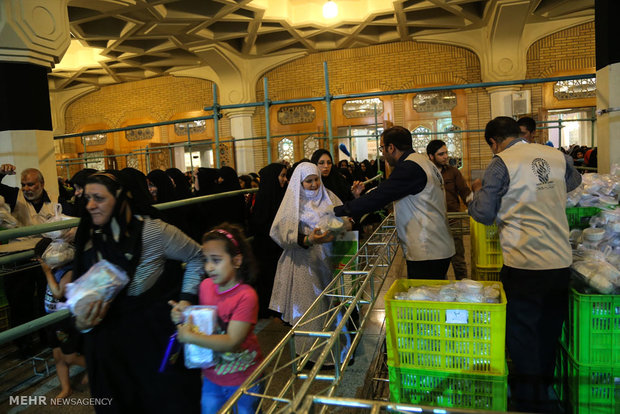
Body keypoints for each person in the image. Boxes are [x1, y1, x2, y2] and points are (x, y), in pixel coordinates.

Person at [468, 116, 582, 413]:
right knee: (547, 331)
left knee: (522, 335)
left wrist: (475, 192)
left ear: (494, 142)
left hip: (524, 263)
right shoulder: (557, 155)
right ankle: (544, 392)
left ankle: (530, 403)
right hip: (559, 261)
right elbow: (574, 182)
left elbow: (483, 212)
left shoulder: (500, 163)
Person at [72, 171, 203, 413]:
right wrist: (83, 322)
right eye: (87, 197)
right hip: (107, 349)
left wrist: (186, 299)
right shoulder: (89, 238)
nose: (89, 205)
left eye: (98, 197)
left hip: (148, 340)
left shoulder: (154, 231)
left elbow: (197, 256)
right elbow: (79, 294)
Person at [334, 126, 455, 279]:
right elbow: (387, 191)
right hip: (435, 245)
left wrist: (336, 211)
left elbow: (380, 197)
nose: (382, 154)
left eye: (382, 148)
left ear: (391, 148)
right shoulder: (421, 162)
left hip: (428, 248)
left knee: (425, 298)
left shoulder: (410, 167)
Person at [171, 223, 263, 414]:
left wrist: (189, 337)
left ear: (237, 261)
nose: (209, 267)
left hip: (244, 378)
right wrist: (182, 314)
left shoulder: (246, 296)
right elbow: (201, 318)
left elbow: (231, 341)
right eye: (206, 260)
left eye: (216, 260)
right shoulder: (205, 286)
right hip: (212, 377)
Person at [269, 162, 349, 363]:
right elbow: (280, 232)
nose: (314, 185)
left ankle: (334, 353)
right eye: (309, 181)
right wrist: (308, 239)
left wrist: (337, 229)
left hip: (330, 260)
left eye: (316, 180)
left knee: (331, 304)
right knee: (309, 308)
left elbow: (345, 218)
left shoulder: (329, 197)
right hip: (305, 264)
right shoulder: (293, 203)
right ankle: (310, 354)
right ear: (300, 183)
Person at [35, 238, 87, 399]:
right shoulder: (56, 269)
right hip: (52, 320)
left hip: (64, 322)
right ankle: (66, 388)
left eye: (43, 259)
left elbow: (59, 293)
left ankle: (95, 365)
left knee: (69, 356)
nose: (43, 263)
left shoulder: (68, 270)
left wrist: (47, 272)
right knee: (58, 356)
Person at [426, 140, 471, 280]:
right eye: (441, 154)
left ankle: (463, 290)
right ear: (431, 156)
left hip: (453, 221)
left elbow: (464, 191)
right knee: (437, 261)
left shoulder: (453, 172)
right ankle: (441, 291)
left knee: (458, 260)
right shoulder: (425, 174)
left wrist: (475, 207)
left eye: (446, 153)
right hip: (433, 223)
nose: (446, 156)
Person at [250, 163, 288, 318]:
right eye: (282, 176)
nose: (285, 180)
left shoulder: (281, 196)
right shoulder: (264, 200)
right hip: (266, 251)